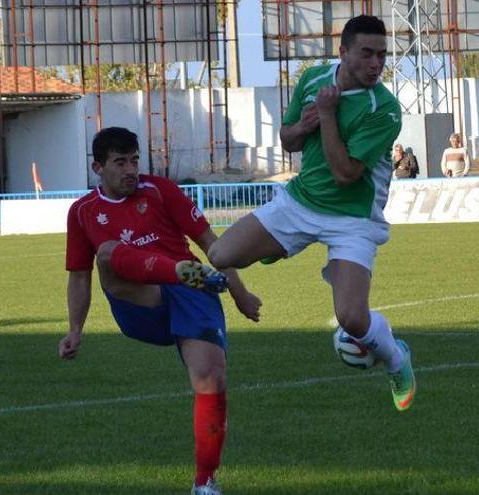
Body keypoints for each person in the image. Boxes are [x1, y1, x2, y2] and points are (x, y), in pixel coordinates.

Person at [206, 15, 416, 413]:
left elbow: (345, 174)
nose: (376, 64)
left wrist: (329, 114)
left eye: (382, 56)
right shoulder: (313, 79)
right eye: (367, 54)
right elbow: (288, 140)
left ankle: (396, 359)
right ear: (343, 52)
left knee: (352, 319)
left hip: (353, 219)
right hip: (299, 203)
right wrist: (304, 125)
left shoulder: (384, 109)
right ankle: (282, 244)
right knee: (220, 256)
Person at [58, 127, 262, 495]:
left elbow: (210, 243)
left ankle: (205, 482)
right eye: (120, 162)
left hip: (191, 294)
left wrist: (240, 293)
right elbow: (79, 276)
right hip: (139, 299)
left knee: (211, 379)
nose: (131, 169)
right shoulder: (82, 212)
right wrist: (75, 329)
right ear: (97, 167)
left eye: (134, 160)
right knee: (107, 253)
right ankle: (180, 270)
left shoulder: (161, 190)